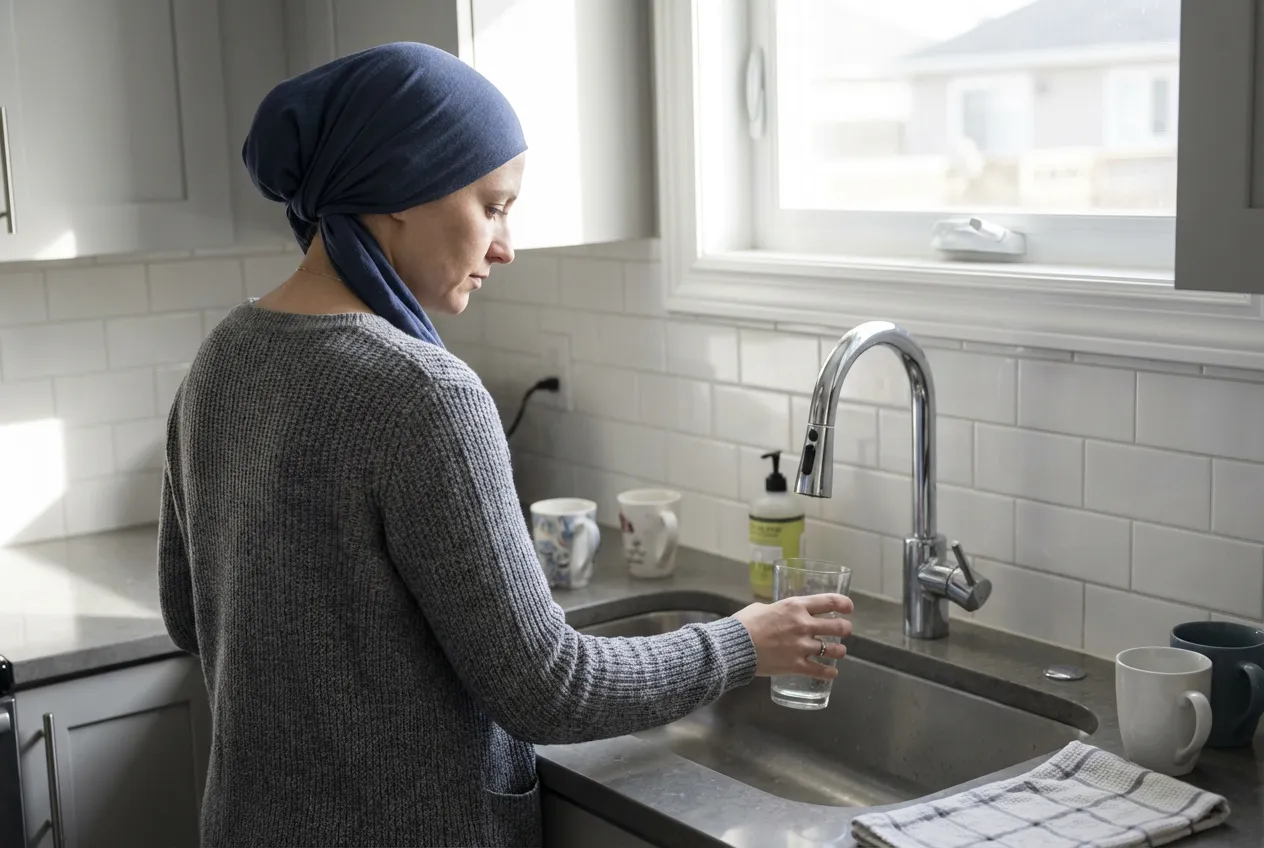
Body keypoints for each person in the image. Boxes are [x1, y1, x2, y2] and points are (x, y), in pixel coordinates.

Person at [157, 42, 853, 848]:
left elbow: (188, 615)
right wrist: (743, 642)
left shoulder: (225, 355)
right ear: (397, 192)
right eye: (492, 205)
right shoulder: (424, 395)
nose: (505, 245)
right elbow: (549, 689)